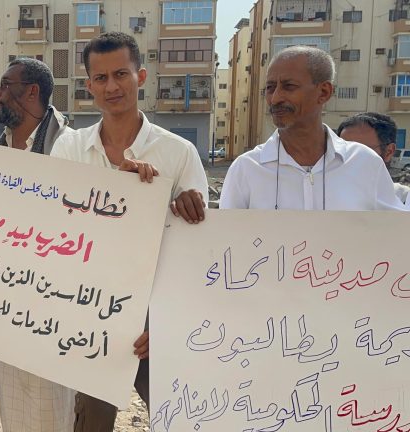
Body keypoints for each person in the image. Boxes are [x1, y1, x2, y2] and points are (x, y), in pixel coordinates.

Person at [50, 32, 209, 431]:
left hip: (157, 318)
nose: (112, 86)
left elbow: (195, 250)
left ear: (141, 76)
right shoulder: (69, 150)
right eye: (101, 78)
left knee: (181, 416)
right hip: (90, 311)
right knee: (92, 421)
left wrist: (167, 321)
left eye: (121, 74)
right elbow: (53, 230)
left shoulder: (178, 153)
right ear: (89, 86)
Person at [0, 57, 76, 431]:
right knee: (13, 410)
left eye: (5, 85)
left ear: (32, 92)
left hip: (54, 310)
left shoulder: (70, 149)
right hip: (4, 306)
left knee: (50, 412)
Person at [220, 46, 405, 211]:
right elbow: (227, 236)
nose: (275, 98)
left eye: (289, 87)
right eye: (270, 87)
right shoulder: (246, 169)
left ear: (324, 92)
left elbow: (395, 232)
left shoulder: (365, 163)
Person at [336, 112, 410, 204]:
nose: (349, 158)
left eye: (362, 151)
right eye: (344, 150)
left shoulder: (404, 202)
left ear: (389, 152)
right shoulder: (326, 199)